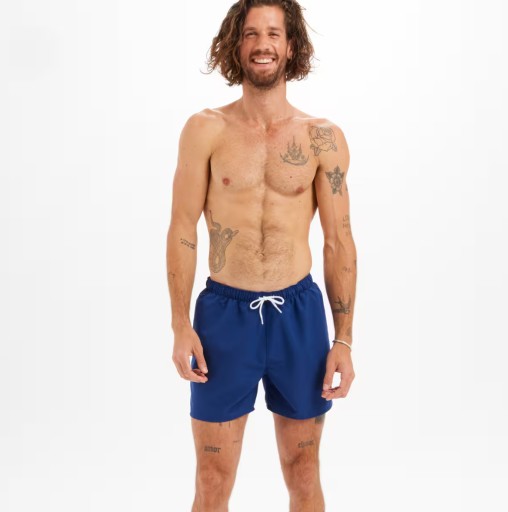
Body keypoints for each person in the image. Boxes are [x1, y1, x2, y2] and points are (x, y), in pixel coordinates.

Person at [166, 1, 357, 510]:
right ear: (236, 45)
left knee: (304, 472)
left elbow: (338, 241)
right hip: (223, 317)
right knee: (212, 478)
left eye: (273, 33)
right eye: (251, 34)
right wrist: (180, 324)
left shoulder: (322, 137)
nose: (262, 44)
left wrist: (343, 339)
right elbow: (182, 229)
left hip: (299, 316)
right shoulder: (205, 130)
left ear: (291, 46)